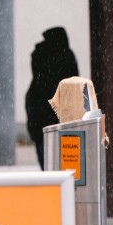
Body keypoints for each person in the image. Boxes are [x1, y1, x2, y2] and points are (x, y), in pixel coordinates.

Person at [24, 27, 79, 167]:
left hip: (44, 118)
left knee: (48, 162)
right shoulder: (64, 56)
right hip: (57, 117)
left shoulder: (41, 55)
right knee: (65, 163)